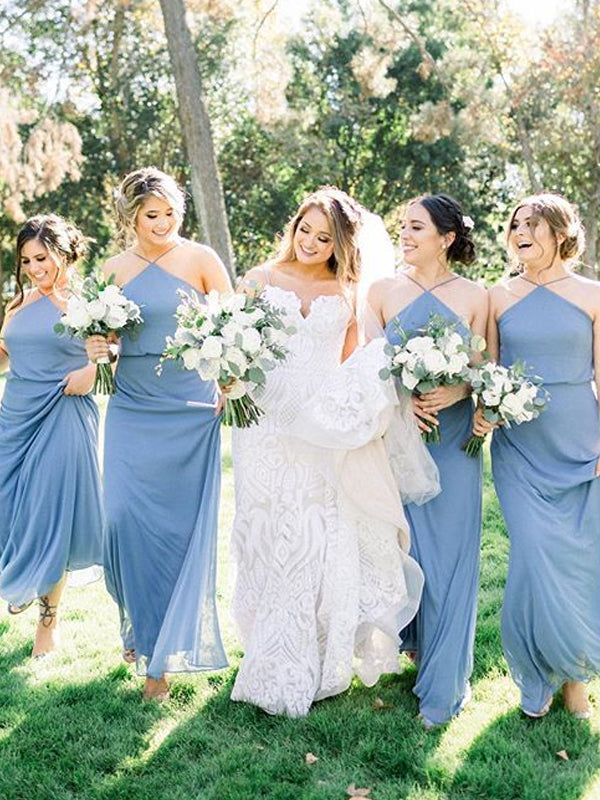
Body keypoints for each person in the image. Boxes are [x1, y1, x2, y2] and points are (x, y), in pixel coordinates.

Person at [229, 186, 439, 717]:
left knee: (309, 534)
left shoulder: (348, 293)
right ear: (293, 227)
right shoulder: (258, 279)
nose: (310, 242)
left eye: (324, 238)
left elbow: (354, 363)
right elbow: (232, 343)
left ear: (340, 245)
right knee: (262, 531)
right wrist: (227, 378)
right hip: (264, 425)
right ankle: (264, 643)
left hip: (318, 428)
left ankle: (307, 654)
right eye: (305, 230)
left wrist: (365, 411)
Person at [85, 167, 231, 700]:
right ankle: (139, 619)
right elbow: (103, 337)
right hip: (133, 404)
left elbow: (234, 325)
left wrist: (230, 379)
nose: (164, 223)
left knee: (175, 533)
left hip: (190, 406)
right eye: (153, 214)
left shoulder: (202, 260)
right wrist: (98, 347)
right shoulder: (113, 269)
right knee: (122, 522)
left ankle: (157, 660)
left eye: (172, 213)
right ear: (132, 216)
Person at [475, 192, 600, 718]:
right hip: (521, 448)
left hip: (581, 445)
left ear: (561, 232)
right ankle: (534, 675)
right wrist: (484, 409)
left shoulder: (592, 295)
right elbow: (489, 370)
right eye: (515, 224)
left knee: (577, 562)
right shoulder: (497, 296)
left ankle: (574, 677)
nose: (520, 232)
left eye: (533, 223)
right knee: (533, 557)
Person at [368, 194, 488, 727]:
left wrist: (458, 390)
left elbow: (485, 368)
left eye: (417, 227)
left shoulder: (475, 296)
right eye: (403, 226)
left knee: (451, 559)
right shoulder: (381, 291)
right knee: (408, 550)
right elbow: (366, 369)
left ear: (446, 237)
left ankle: (444, 684)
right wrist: (403, 400)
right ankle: (414, 643)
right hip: (400, 440)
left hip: (454, 443)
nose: (406, 235)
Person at [0, 214, 103, 658]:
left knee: (50, 516)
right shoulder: (18, 303)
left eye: (41, 258)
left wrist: (92, 370)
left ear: (63, 253)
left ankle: (48, 619)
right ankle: (20, 574)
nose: (34, 268)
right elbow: (8, 354)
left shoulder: (88, 303)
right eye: (26, 261)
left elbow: (113, 352)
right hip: (15, 416)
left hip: (64, 412)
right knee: (8, 508)